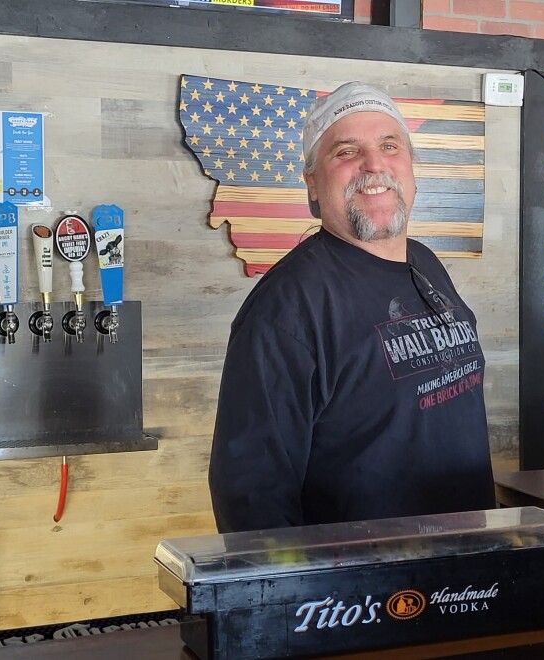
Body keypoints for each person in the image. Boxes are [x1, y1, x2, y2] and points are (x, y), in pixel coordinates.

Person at [208, 81, 494, 533]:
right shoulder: (286, 310)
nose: (374, 164)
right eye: (346, 152)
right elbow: (250, 495)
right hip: (363, 593)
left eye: (389, 145)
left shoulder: (425, 262)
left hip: (468, 574)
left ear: (411, 167)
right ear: (313, 184)